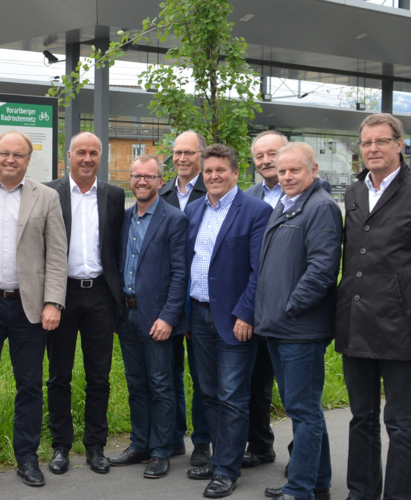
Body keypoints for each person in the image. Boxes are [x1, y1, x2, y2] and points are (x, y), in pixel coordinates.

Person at [335, 113, 411, 500]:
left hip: (400, 323)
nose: (373, 149)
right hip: (355, 322)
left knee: (400, 422)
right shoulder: (353, 193)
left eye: (382, 141)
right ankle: (361, 491)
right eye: (367, 143)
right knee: (360, 417)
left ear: (400, 145)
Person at [0, 130, 67, 489]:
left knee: (30, 385)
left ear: (28, 159)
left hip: (30, 306)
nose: (10, 160)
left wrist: (53, 301)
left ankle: (26, 458)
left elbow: (56, 254)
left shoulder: (47, 197)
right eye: (4, 153)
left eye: (18, 155)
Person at [183, 144, 273, 498]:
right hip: (198, 313)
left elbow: (258, 270)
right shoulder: (193, 210)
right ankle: (222, 455)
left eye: (221, 170)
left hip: (235, 318)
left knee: (233, 395)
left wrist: (246, 312)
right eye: (209, 171)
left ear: (236, 173)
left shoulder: (255, 211)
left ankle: (226, 470)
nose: (214, 176)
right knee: (209, 393)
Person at [254, 143, 341, 500]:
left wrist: (290, 308)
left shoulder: (320, 208)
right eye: (282, 170)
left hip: (299, 328)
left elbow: (322, 270)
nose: (286, 177)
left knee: (304, 411)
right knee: (302, 409)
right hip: (279, 326)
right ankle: (318, 483)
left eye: (295, 171)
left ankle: (301, 488)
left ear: (314, 170)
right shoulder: (287, 205)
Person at [43, 132, 124, 475]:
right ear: (68, 156)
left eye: (93, 153)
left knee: (99, 376)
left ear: (100, 157)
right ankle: (61, 446)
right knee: (59, 374)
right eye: (81, 153)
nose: (87, 159)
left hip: (101, 295)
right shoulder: (50, 192)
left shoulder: (115, 196)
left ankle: (95, 446)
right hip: (62, 294)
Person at [109, 154, 188, 479]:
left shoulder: (173, 219)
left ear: (160, 180)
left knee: (161, 384)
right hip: (127, 316)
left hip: (157, 319)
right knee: (136, 384)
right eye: (137, 176)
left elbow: (180, 273)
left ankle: (160, 450)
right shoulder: (124, 218)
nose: (142, 181)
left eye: (149, 177)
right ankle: (139, 443)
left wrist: (169, 317)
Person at [158, 130, 213, 466]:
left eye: (188, 153)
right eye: (177, 152)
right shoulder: (163, 193)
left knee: (202, 375)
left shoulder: (212, 192)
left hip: (200, 297)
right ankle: (173, 435)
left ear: (202, 156)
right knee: (170, 372)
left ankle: (203, 441)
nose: (181, 159)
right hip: (166, 300)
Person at [241, 130, 288, 469]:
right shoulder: (249, 195)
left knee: (294, 390)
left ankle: (303, 457)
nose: (266, 161)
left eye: (273, 153)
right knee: (256, 385)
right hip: (254, 307)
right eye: (260, 156)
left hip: (291, 309)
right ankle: (260, 446)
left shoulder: (308, 193)